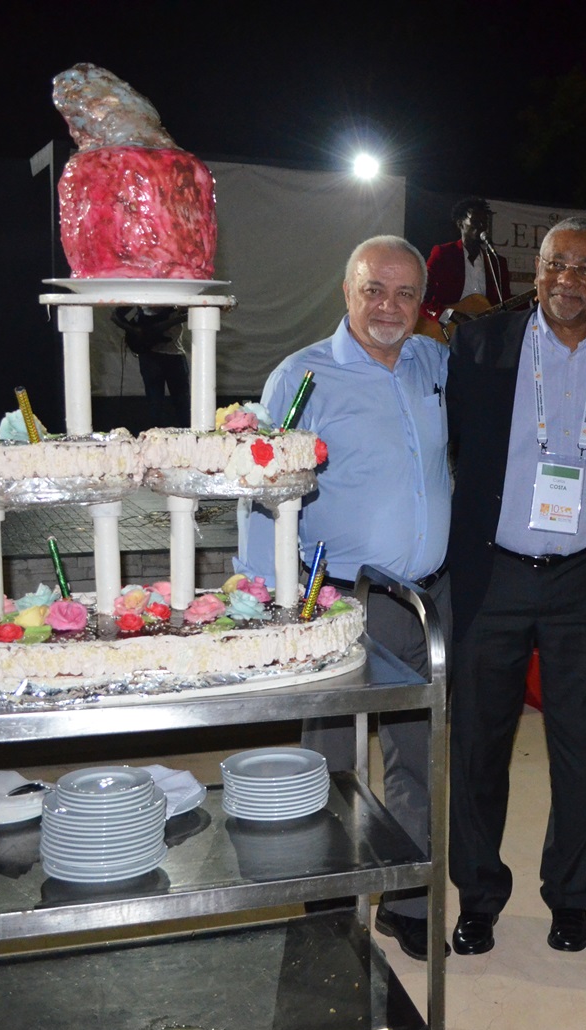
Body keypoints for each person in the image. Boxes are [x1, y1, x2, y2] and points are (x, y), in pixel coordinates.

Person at [446, 217, 586, 956]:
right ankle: (478, 896)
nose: (569, 279)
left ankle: (569, 896)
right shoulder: (481, 346)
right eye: (556, 264)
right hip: (495, 572)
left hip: (585, 578)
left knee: (581, 749)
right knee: (479, 747)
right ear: (535, 272)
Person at [234, 235, 450, 960]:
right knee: (330, 763)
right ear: (346, 292)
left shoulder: (432, 364)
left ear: (422, 304)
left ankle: (409, 902)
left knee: (421, 757)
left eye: (405, 293)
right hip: (339, 601)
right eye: (373, 290)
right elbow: (263, 491)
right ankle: (326, 910)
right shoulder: (301, 377)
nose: (388, 306)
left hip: (425, 601)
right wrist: (267, 601)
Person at [421, 197, 509, 327]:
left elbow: (506, 303)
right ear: (460, 224)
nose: (481, 227)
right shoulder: (443, 254)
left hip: (483, 330)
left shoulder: (496, 262)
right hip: (446, 330)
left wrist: (532, 301)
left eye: (484, 222)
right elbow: (421, 295)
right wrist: (450, 314)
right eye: (475, 221)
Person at [112, 305, 190, 428]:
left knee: (163, 402)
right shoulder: (141, 305)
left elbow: (115, 317)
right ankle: (177, 432)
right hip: (164, 357)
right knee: (170, 402)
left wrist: (135, 331)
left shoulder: (173, 305)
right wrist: (135, 330)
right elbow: (115, 317)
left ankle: (162, 433)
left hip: (159, 356)